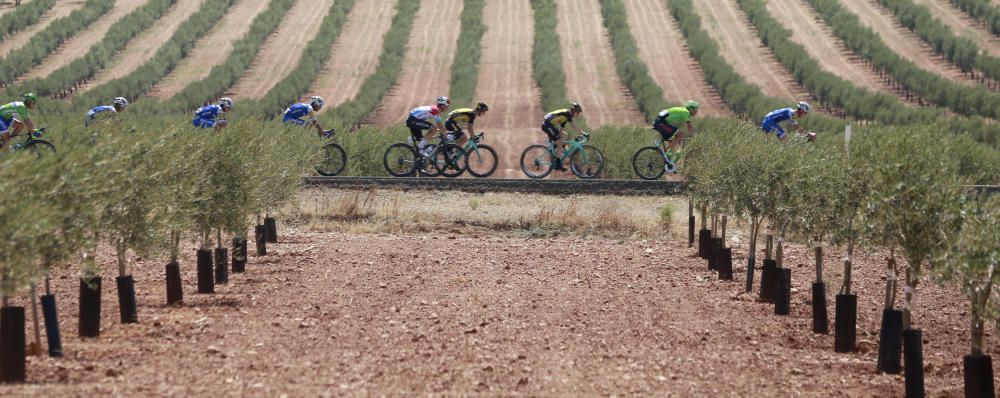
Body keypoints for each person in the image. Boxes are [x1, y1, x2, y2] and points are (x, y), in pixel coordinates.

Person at [541, 102, 585, 171]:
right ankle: (558, 164)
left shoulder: (565, 117)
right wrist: (583, 133)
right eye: (578, 112)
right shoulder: (567, 113)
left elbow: (561, 129)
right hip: (547, 125)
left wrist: (563, 145)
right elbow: (573, 126)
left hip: (550, 125)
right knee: (560, 143)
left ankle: (554, 149)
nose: (578, 114)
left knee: (564, 135)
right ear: (574, 111)